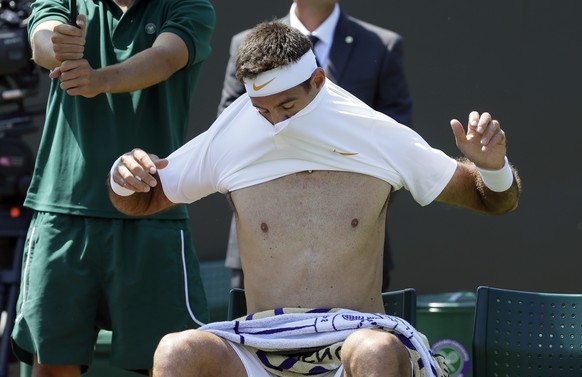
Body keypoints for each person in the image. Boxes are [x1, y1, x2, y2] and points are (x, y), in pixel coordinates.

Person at [108, 21, 521, 377]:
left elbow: (492, 199)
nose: (276, 123)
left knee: (376, 350)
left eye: (287, 106)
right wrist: (124, 176)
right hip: (260, 347)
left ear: (318, 82)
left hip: (353, 342)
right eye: (262, 110)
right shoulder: (232, 133)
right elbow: (140, 200)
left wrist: (493, 168)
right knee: (175, 351)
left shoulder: (374, 132)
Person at [11, 0, 215, 376]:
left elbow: (166, 57)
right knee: (52, 365)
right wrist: (58, 44)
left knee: (171, 362)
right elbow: (41, 40)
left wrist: (98, 80)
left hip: (154, 211)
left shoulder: (190, 5)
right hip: (63, 213)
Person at [220, 0, 413, 291]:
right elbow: (229, 138)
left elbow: (394, 145)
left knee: (366, 339)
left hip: (355, 248)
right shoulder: (245, 45)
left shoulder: (381, 45)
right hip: (261, 244)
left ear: (319, 79)